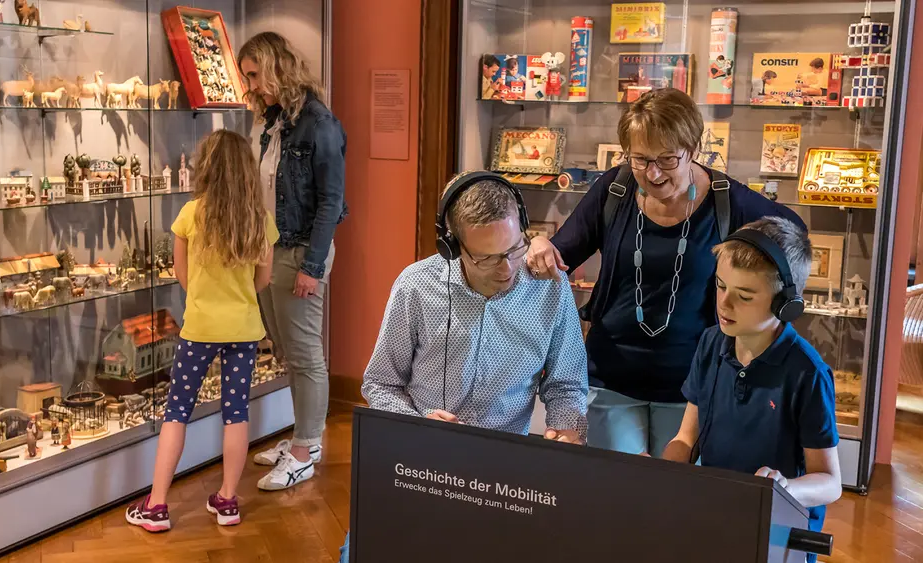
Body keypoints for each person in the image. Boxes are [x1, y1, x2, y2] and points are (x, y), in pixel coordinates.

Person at [526, 88, 804, 458]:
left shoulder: (728, 202)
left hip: (693, 386)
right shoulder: (615, 189)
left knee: (677, 490)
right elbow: (560, 254)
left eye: (667, 159)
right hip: (610, 378)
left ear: (694, 149)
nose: (652, 173)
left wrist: (764, 304)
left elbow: (793, 234)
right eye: (640, 159)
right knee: (618, 488)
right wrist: (538, 245)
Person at [339, 171, 590, 562]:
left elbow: (566, 385)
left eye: (514, 249)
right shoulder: (415, 286)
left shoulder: (550, 289)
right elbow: (380, 384)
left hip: (505, 478)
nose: (507, 269)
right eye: (487, 258)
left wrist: (568, 429)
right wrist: (418, 423)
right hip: (420, 463)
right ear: (452, 246)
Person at [125, 130, 278, 532]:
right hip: (244, 329)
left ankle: (157, 505)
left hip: (200, 329)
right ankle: (228, 500)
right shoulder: (260, 220)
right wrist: (237, 297)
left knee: (177, 411)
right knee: (236, 412)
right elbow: (264, 280)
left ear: (206, 168)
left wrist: (206, 298)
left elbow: (182, 275)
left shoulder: (191, 214)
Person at [663, 217, 841, 561]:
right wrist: (662, 472)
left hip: (777, 534)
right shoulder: (711, 343)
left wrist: (784, 488)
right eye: (720, 286)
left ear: (785, 304)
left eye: (744, 296)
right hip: (717, 519)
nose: (724, 303)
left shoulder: (808, 374)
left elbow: (830, 482)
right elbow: (686, 438)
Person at [238, 32, 348, 491]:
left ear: (275, 67)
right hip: (270, 250)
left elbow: (332, 203)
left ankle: (305, 449)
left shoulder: (319, 124)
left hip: (300, 251)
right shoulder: (274, 121)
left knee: (304, 355)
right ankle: (304, 438)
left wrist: (312, 267)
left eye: (254, 75)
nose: (251, 86)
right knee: (285, 351)